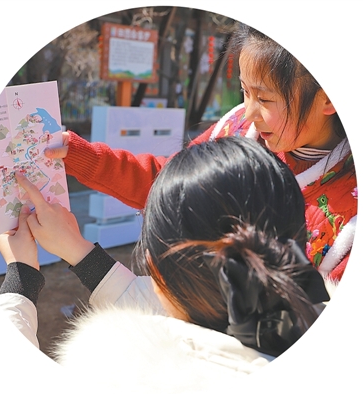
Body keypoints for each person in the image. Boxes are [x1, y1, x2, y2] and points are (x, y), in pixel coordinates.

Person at [0, 137, 330, 393]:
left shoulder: (115, 377)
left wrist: (20, 279)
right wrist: (78, 252)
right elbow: (173, 312)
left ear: (155, 266)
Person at [44, 23, 357, 283]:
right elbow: (169, 184)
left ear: (328, 98)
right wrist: (78, 154)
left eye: (264, 99)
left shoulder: (349, 220)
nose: (250, 112)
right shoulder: (233, 128)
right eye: (245, 91)